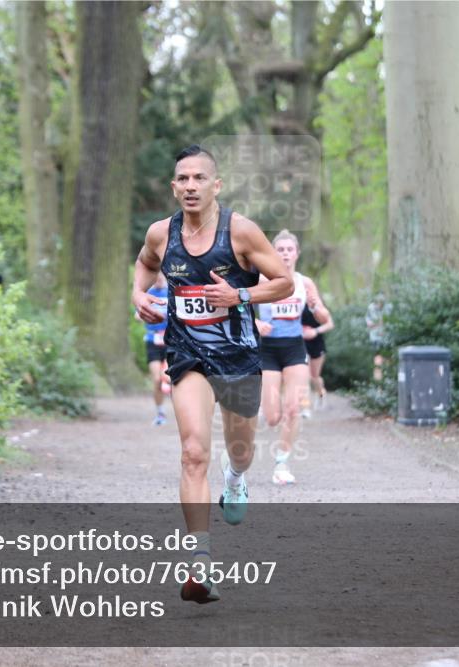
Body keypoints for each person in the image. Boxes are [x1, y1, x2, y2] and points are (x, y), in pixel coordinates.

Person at [132, 145, 293, 604]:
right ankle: (199, 563)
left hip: (239, 357)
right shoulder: (161, 234)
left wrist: (240, 299)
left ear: (216, 185)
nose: (190, 186)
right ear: (173, 186)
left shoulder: (239, 232)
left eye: (199, 178)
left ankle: (237, 478)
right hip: (186, 355)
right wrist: (137, 296)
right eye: (182, 179)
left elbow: (283, 280)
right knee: (192, 452)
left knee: (240, 450)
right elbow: (144, 265)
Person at [255, 230, 332, 485]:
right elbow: (237, 305)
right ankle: (267, 405)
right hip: (267, 350)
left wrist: (316, 307)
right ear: (273, 253)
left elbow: (324, 317)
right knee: (273, 416)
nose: (285, 254)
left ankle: (282, 463)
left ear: (297, 253)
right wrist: (255, 322)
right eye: (280, 249)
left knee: (293, 409)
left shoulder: (305, 282)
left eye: (290, 249)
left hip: (294, 349)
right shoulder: (261, 279)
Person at [138, 272, 169, 425]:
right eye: (155, 277)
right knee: (157, 379)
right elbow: (138, 315)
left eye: (160, 276)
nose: (158, 279)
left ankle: (184, 413)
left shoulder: (171, 291)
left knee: (171, 378)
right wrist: (143, 314)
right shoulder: (148, 293)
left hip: (171, 341)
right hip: (152, 340)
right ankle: (160, 414)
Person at [302, 298, 334, 411]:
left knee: (315, 376)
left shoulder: (318, 304)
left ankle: (321, 394)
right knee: (305, 374)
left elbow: (330, 324)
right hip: (300, 342)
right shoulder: (295, 301)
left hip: (317, 343)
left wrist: (315, 331)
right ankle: (305, 405)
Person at [365, 294, 389, 381]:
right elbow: (369, 324)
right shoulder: (371, 308)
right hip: (376, 339)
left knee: (387, 360)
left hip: (387, 339)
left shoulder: (388, 308)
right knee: (378, 360)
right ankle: (379, 383)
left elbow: (388, 323)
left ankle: (386, 381)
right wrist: (379, 324)